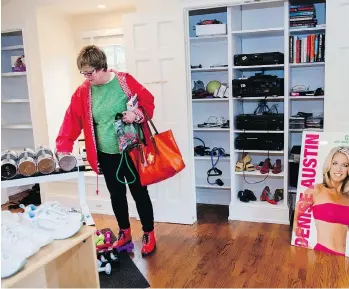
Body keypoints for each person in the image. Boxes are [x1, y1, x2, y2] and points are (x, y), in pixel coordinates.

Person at [56, 45, 156, 256]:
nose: (86, 77)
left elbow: (148, 102)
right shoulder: (84, 91)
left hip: (131, 150)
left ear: (102, 67)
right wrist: (63, 148)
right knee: (116, 195)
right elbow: (71, 119)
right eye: (83, 73)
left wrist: (135, 114)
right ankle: (125, 232)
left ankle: (148, 233)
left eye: (89, 72)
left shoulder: (124, 81)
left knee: (139, 192)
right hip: (106, 153)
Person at [294, 146, 349, 256]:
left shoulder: (347, 197)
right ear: (329, 165)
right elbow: (296, 219)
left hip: (343, 258)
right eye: (335, 163)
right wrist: (303, 243)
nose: (339, 169)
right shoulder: (315, 190)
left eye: (345, 165)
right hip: (322, 254)